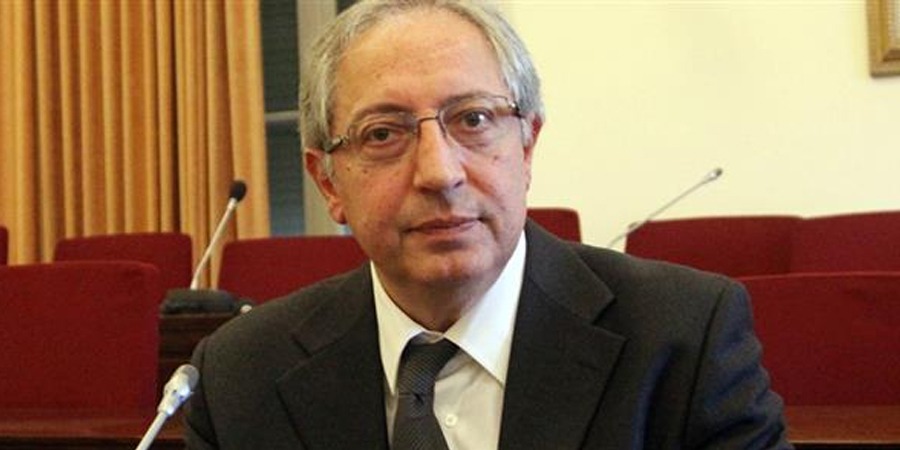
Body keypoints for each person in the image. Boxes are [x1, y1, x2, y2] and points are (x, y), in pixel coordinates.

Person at [183, 1, 792, 449]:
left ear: (526, 147)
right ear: (327, 182)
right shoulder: (240, 375)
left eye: (472, 119)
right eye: (383, 133)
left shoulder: (684, 337)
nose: (439, 172)